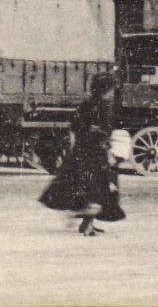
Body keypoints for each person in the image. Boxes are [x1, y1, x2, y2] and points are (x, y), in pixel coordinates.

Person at [39, 71, 126, 235]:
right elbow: (105, 132)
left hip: (82, 150)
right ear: (107, 89)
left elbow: (75, 127)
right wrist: (108, 153)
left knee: (85, 186)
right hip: (97, 153)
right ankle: (87, 224)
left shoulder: (87, 103)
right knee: (99, 188)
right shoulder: (105, 105)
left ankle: (87, 222)